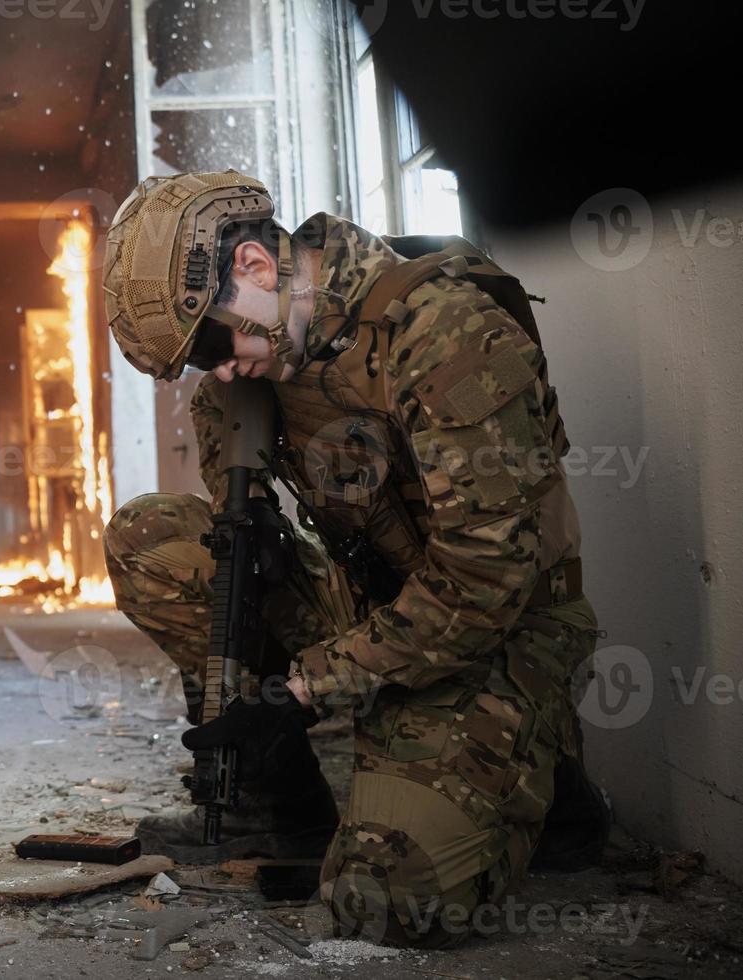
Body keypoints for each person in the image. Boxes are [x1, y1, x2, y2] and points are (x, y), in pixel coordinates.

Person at [100, 169, 609, 947]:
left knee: (387, 901)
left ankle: (548, 786)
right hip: (373, 607)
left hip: (495, 630)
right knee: (152, 542)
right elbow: (225, 443)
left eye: (214, 343)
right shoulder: (263, 360)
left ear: (256, 269)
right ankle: (279, 807)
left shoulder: (443, 334)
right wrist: (260, 527)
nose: (221, 370)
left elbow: (482, 586)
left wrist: (303, 689)